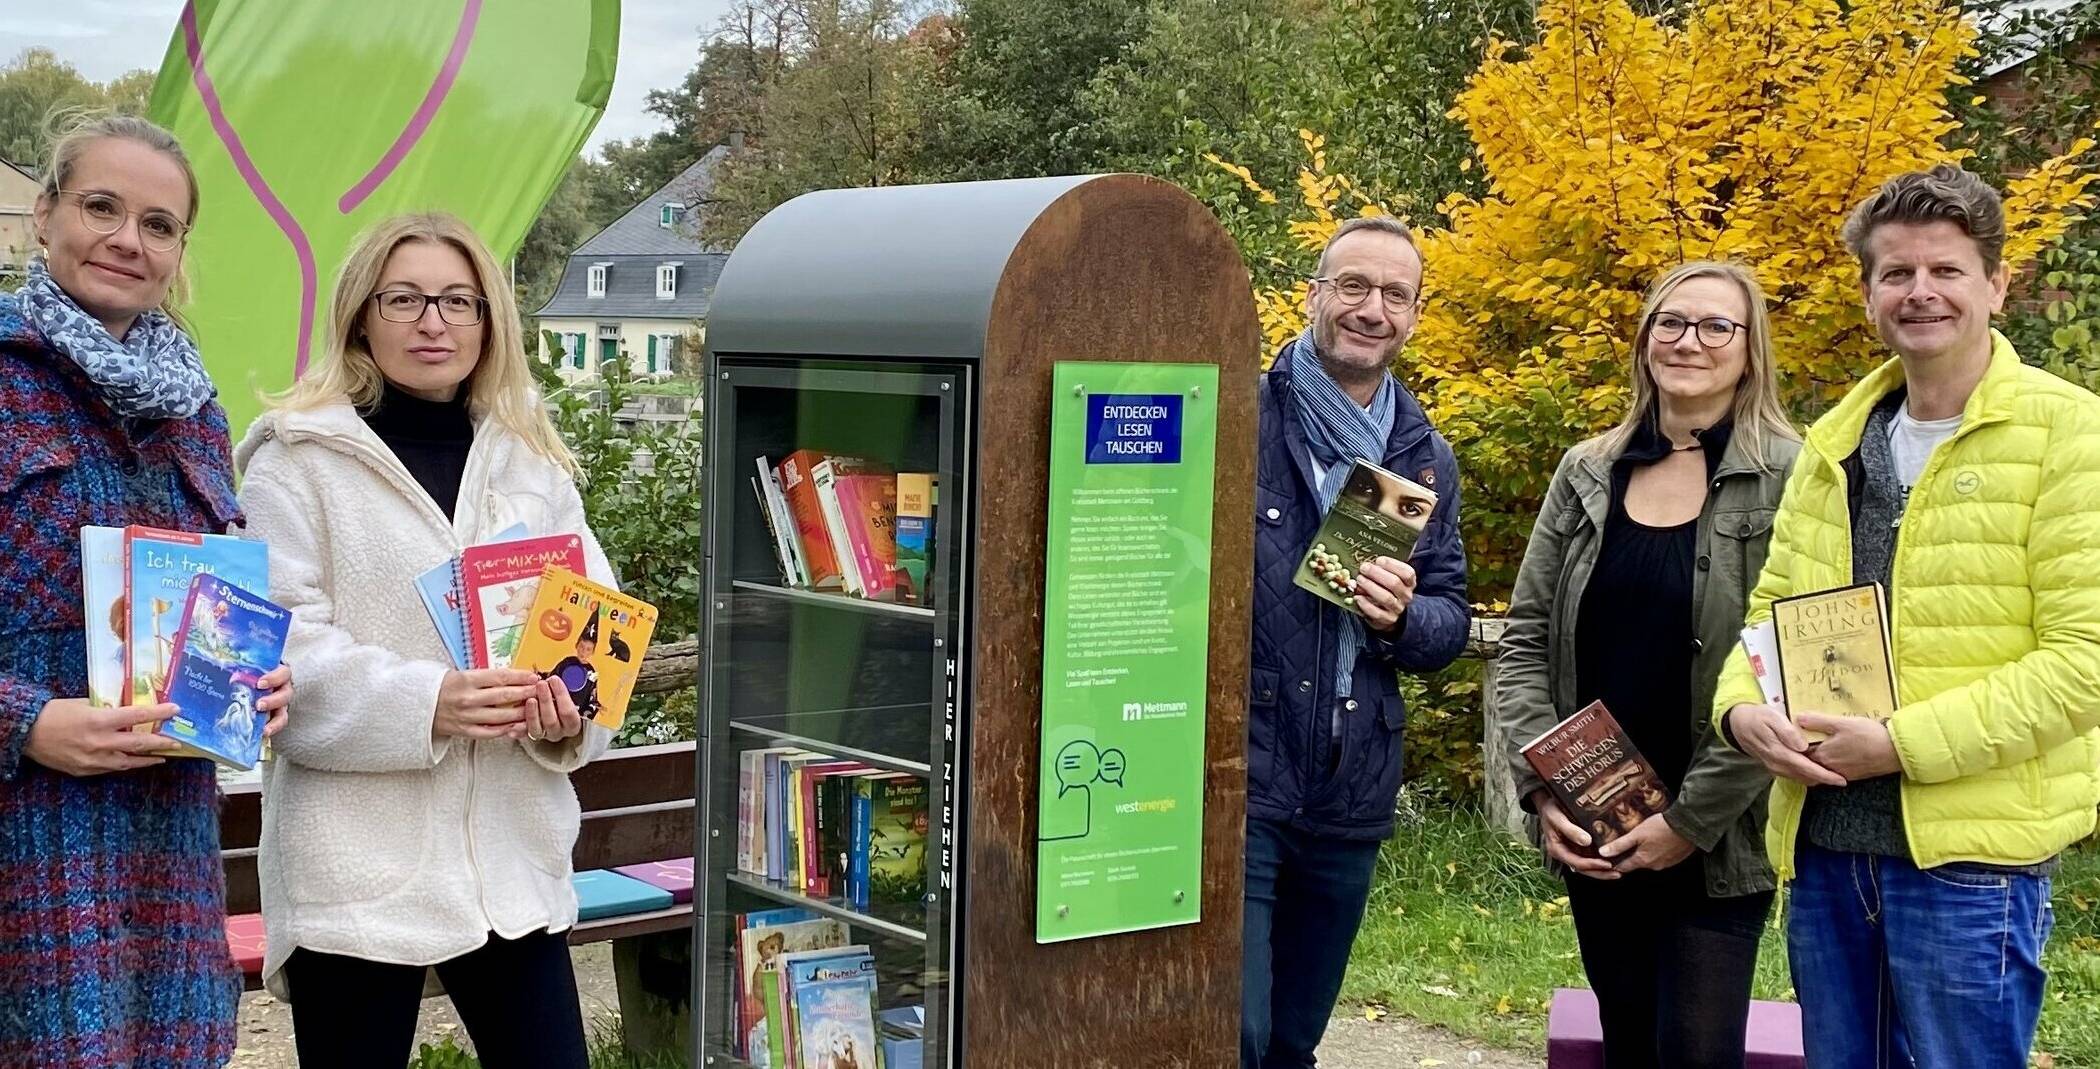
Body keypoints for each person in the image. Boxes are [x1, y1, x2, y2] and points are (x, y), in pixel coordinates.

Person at [1713, 164, 2100, 1068]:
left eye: (1947, 270)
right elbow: (1771, 611)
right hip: (1824, 849)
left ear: (1998, 284)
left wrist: (1900, 743)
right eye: (1895, 273)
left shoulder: (2071, 435)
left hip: (1970, 866)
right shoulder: (1835, 442)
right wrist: (1739, 711)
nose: (1919, 291)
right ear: (1868, 293)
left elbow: (2085, 661)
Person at [235, 212, 614, 1069]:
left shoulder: (530, 460)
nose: (432, 322)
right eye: (403, 298)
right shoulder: (295, 461)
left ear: (489, 320)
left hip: (511, 859)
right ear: (362, 314)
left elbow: (598, 627)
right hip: (357, 868)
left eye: (456, 300)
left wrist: (571, 716)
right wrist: (429, 702)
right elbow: (275, 647)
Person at [0, 112, 292, 1067]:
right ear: (43, 216)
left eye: (159, 224)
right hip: (28, 849)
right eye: (101, 207)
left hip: (168, 858)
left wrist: (252, 679)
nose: (129, 239)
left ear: (178, 252)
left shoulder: (198, 411)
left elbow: (215, 602)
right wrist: (26, 722)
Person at [1495, 261, 1799, 1068]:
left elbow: (1790, 670)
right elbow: (1525, 638)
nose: (1688, 340)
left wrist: (1687, 824)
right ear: (1644, 340)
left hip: (1717, 839)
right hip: (1598, 825)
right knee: (1627, 1046)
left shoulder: (1792, 479)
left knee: (1696, 1056)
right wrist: (1541, 786)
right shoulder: (1587, 470)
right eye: (1671, 321)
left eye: (1714, 326)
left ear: (1749, 349)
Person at [1243, 215, 1471, 1069]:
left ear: (1413, 315)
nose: (1372, 309)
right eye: (1354, 286)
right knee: (1237, 1033)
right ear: (1314, 295)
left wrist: (1402, 617)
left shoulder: (1424, 456)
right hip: (1243, 779)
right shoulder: (1242, 419)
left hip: (1350, 789)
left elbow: (1448, 618)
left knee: (1296, 1041)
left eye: (1394, 294)